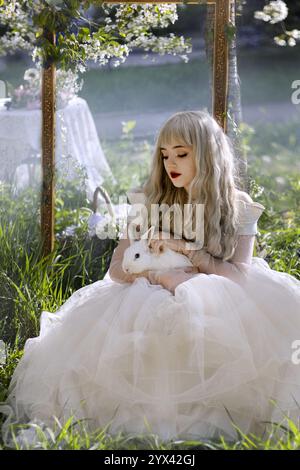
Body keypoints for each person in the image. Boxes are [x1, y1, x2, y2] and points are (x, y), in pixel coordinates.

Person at [1, 110, 300, 448]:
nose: (171, 163)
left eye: (182, 154)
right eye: (165, 154)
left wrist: (186, 251)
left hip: (219, 292)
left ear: (208, 155)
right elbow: (117, 270)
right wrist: (157, 272)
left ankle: (218, 413)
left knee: (205, 311)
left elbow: (240, 277)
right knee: (152, 317)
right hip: (147, 288)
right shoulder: (148, 201)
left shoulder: (237, 206)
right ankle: (148, 416)